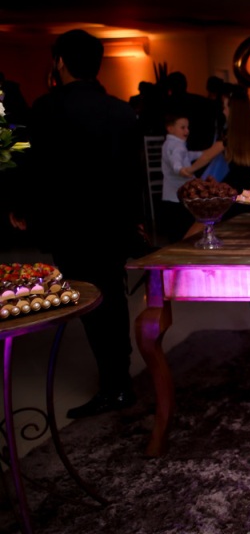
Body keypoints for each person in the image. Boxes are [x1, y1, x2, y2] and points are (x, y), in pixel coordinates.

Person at [24, 30, 144, 418]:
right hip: (114, 224)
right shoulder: (122, 112)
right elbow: (133, 176)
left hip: (71, 225)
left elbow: (38, 171)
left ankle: (115, 386)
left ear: (60, 62)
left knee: (91, 303)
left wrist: (25, 212)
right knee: (113, 299)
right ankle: (119, 380)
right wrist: (135, 223)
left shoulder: (46, 109)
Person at [160, 113, 222, 242]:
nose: (187, 131)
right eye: (182, 128)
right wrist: (181, 169)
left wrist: (202, 154)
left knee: (177, 229)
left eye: (187, 127)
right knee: (181, 228)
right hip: (177, 196)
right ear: (170, 128)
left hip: (172, 195)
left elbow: (186, 155)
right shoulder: (175, 145)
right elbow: (175, 160)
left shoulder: (173, 144)